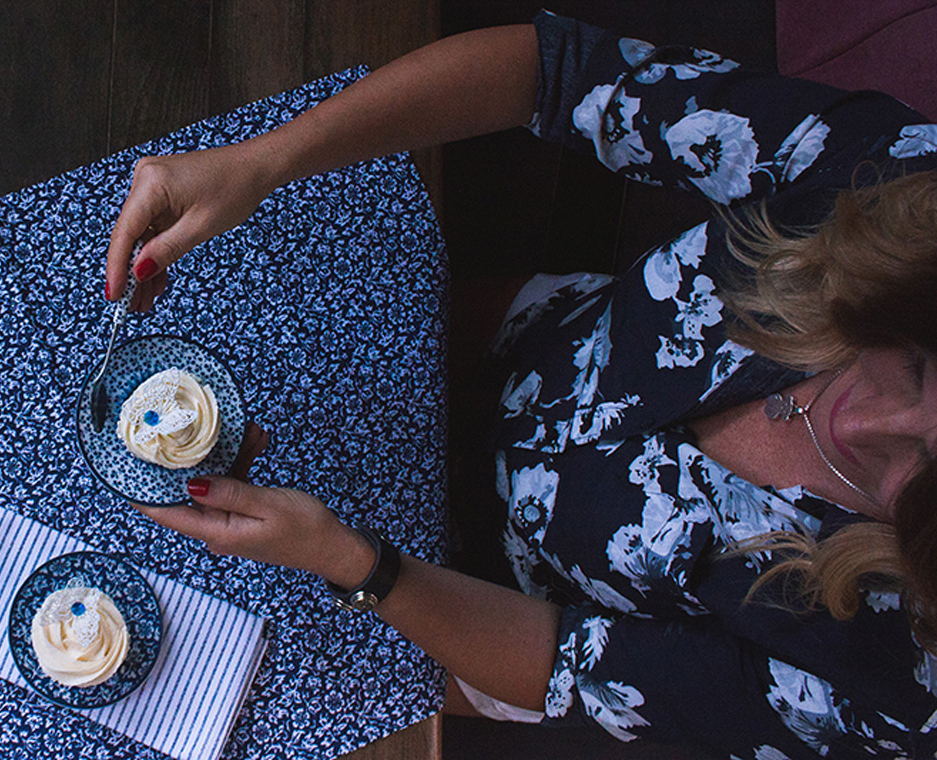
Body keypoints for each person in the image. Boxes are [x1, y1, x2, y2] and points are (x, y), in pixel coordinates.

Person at [104, 11, 937, 759]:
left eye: (922, 481)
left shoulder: (910, 681)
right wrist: (262, 161)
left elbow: (568, 667)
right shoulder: (896, 185)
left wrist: (359, 566)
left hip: (469, 606)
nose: (862, 424)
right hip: (495, 339)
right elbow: (557, 73)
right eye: (917, 365)